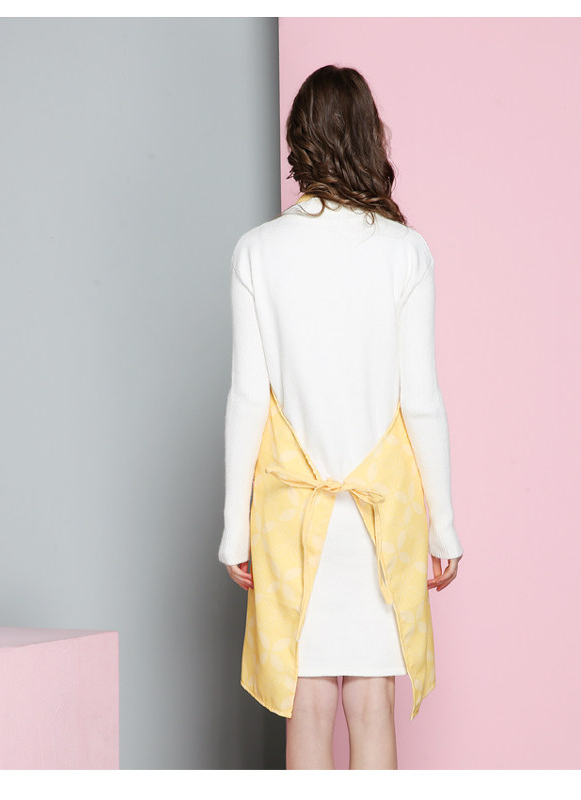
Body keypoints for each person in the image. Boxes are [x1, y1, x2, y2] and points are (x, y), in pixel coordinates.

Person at [218, 65, 464, 770]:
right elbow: (421, 399)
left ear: (299, 140)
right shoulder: (404, 251)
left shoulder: (257, 250)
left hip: (289, 515)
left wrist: (234, 529)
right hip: (382, 515)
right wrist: (444, 526)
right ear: (367, 137)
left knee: (307, 708)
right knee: (373, 708)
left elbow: (247, 397)